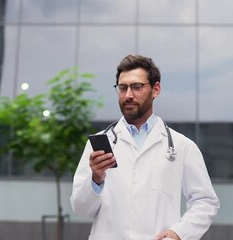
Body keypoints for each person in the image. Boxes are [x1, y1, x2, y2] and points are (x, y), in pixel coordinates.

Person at [70, 54, 220, 240]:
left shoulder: (182, 146)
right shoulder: (100, 144)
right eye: (122, 88)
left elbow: (205, 201)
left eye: (137, 87)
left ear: (155, 89)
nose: (128, 95)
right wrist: (96, 179)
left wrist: (179, 233)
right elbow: (81, 210)